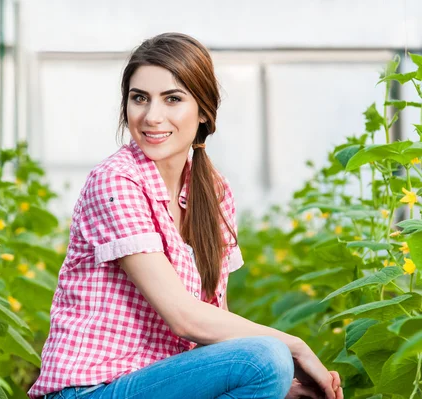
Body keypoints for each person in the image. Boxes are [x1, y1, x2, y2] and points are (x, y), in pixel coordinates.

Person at [28, 32, 343, 399]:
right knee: (268, 356)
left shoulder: (213, 191)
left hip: (157, 382)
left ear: (204, 111)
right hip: (89, 390)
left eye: (172, 99)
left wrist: (281, 388)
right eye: (139, 98)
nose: (151, 116)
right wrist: (296, 347)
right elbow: (185, 317)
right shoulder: (115, 182)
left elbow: (216, 325)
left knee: (269, 365)